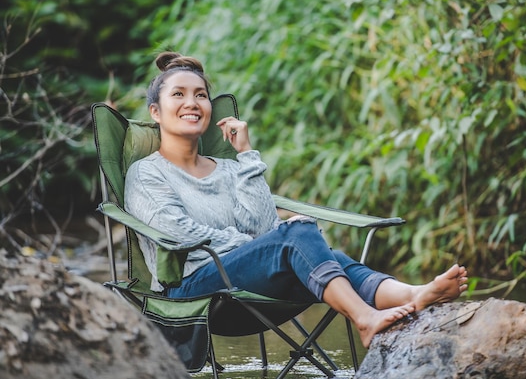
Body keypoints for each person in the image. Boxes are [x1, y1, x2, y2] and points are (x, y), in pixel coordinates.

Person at [124, 51, 469, 348]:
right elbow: (178, 233)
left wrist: (246, 154)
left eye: (200, 95)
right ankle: (364, 318)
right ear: (155, 112)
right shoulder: (146, 173)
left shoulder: (231, 169)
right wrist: (257, 245)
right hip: (192, 291)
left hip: (244, 283)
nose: (192, 103)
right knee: (295, 235)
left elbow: (261, 227)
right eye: (179, 94)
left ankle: (413, 295)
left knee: (321, 251)